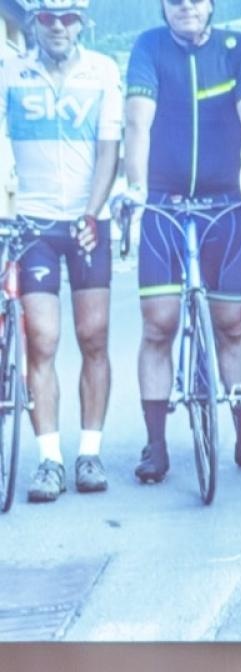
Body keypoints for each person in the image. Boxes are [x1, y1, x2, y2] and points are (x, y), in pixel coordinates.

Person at [122, 0, 241, 483]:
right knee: (159, 325)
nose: (186, 6)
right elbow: (138, 123)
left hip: (223, 202)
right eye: (174, 0)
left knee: (232, 324)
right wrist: (135, 188)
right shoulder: (148, 47)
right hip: (163, 205)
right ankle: (155, 445)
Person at [0, 0, 121, 502]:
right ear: (33, 21)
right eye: (47, 18)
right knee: (43, 342)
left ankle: (88, 452)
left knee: (93, 337)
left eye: (67, 17)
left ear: (82, 23)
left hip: (87, 219)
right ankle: (49, 460)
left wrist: (92, 212)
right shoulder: (10, 72)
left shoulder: (103, 71)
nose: (57, 27)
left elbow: (109, 149)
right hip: (32, 222)